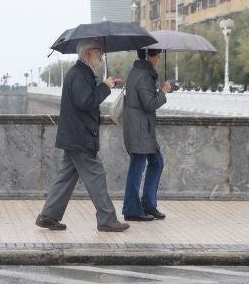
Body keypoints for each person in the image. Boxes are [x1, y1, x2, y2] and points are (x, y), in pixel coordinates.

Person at [35, 38, 128, 232]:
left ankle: (48, 216)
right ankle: (107, 219)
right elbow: (85, 102)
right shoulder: (79, 75)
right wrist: (104, 87)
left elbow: (84, 100)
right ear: (87, 53)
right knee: (96, 175)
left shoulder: (82, 73)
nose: (101, 56)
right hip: (80, 136)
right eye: (98, 52)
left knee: (66, 176)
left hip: (74, 135)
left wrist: (101, 86)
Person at [121, 48, 171, 221]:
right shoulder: (143, 75)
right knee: (137, 167)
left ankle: (148, 204)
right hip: (140, 128)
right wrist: (163, 92)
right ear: (151, 56)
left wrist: (159, 90)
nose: (159, 58)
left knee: (156, 162)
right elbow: (149, 104)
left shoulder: (139, 72)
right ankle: (132, 210)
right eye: (158, 55)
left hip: (142, 128)